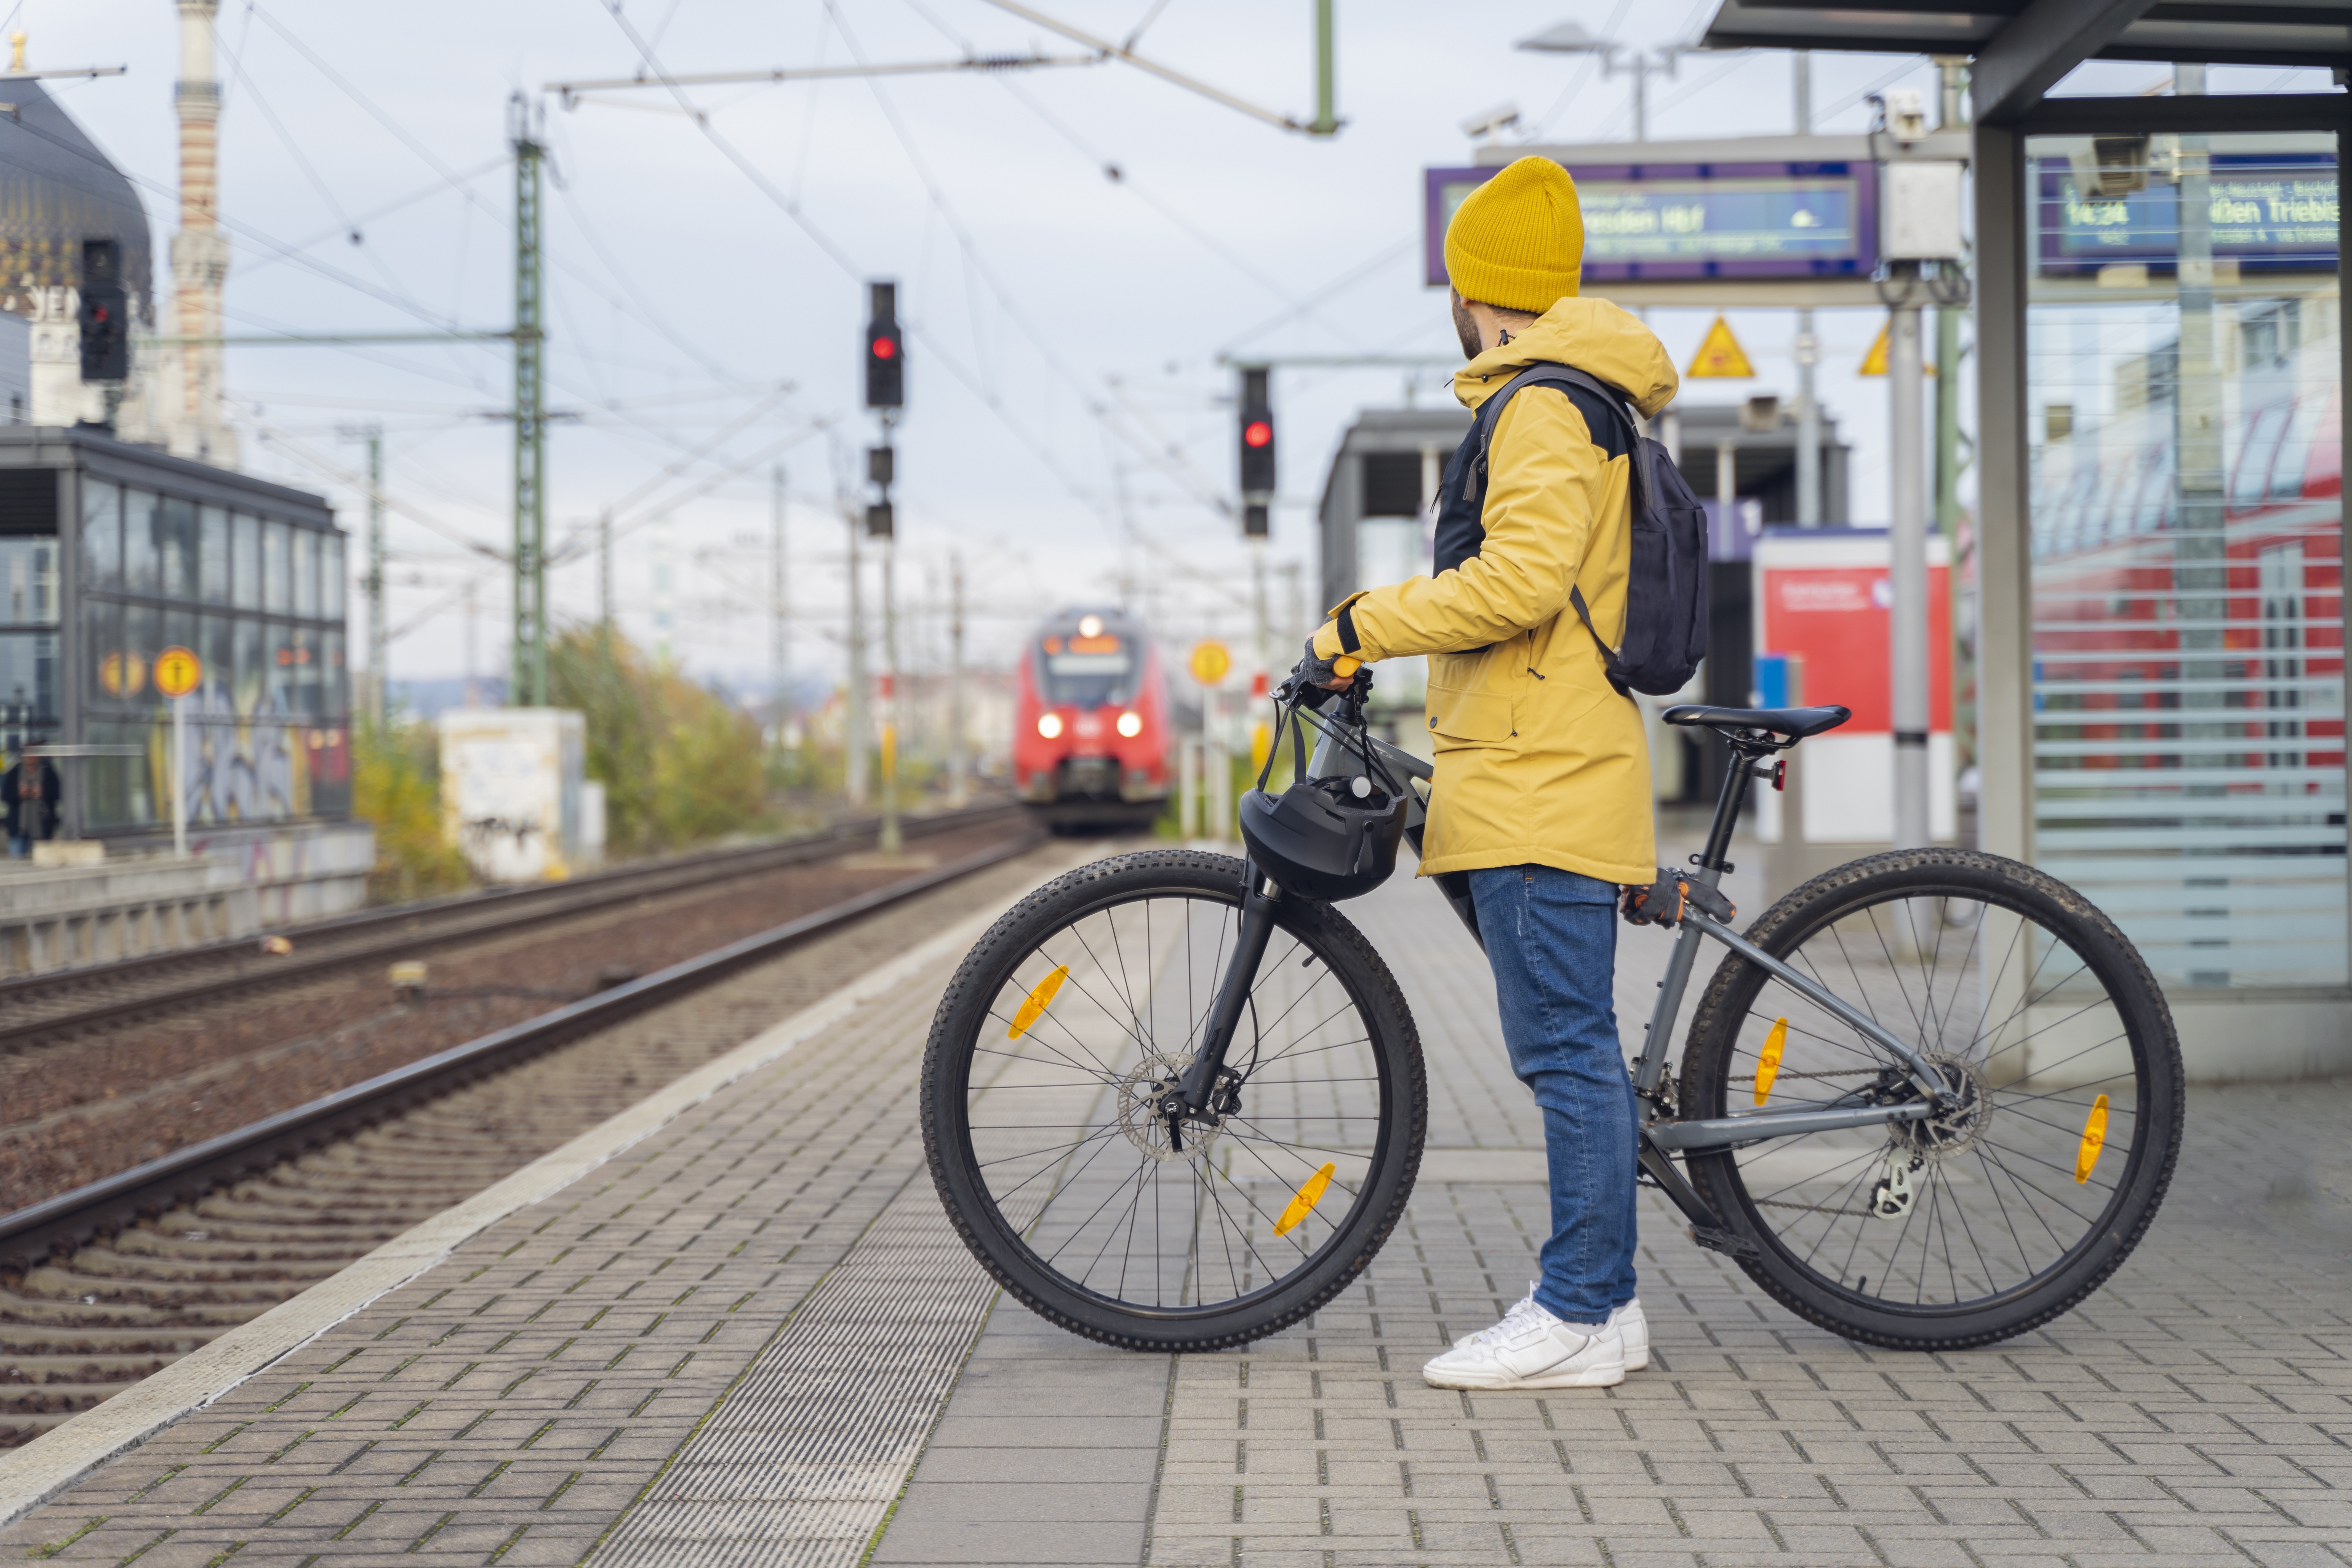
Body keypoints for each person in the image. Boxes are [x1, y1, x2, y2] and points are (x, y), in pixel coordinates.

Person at [1298, 156, 1680, 1391]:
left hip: (1541, 771)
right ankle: (1603, 1307)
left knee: (1566, 1050)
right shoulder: (1578, 400)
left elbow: (1514, 583)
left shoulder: (1538, 407)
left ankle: (1577, 1309)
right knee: (1568, 1044)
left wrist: (1359, 621)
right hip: (1528, 758)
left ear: (1475, 292)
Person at [2, 746, 61, 857]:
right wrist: (19, 794)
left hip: (42, 826)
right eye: (27, 755)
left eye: (33, 754)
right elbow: (5, 796)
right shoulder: (14, 772)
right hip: (18, 825)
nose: (30, 758)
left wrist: (42, 792)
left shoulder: (48, 772)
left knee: (43, 861)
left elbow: (59, 794)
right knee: (16, 862)